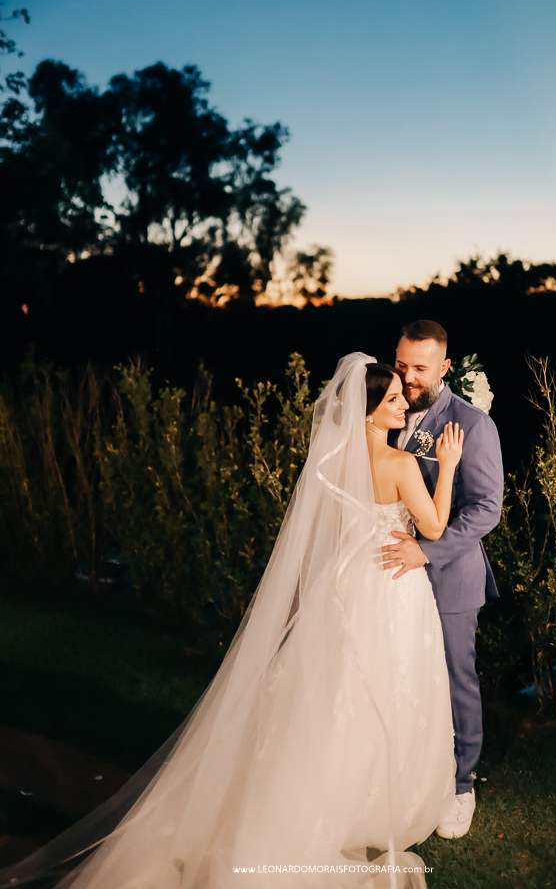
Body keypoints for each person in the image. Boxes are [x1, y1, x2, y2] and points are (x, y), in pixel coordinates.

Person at [1, 354, 463, 889]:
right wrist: (447, 465)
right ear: (367, 411)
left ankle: (320, 792)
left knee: (334, 692)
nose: (404, 402)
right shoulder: (402, 465)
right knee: (386, 685)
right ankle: (374, 800)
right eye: (392, 400)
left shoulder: (334, 460)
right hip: (390, 585)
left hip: (346, 582)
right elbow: (433, 525)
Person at [381, 321, 503, 840]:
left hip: (449, 577)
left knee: (457, 682)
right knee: (404, 675)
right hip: (392, 574)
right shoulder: (385, 407)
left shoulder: (471, 425)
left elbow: (486, 510)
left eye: (420, 369)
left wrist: (426, 552)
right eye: (403, 364)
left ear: (445, 367)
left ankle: (461, 785)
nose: (408, 377)